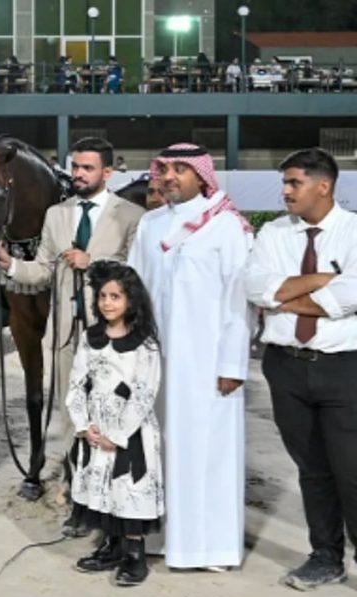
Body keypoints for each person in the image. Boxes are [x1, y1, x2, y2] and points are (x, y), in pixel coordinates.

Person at [0, 138, 144, 509]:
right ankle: (74, 479)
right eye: (75, 167)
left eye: (88, 168)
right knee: (70, 407)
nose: (79, 174)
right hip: (66, 333)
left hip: (112, 333)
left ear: (107, 172)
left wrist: (93, 262)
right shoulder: (56, 214)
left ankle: (111, 484)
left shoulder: (131, 215)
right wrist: (11, 266)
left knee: (111, 406)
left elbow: (137, 272)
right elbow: (43, 270)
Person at [128, 143, 252, 571]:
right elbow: (134, 292)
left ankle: (207, 548)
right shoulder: (149, 224)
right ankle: (157, 538)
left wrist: (232, 364)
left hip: (206, 364)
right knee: (155, 448)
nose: (169, 177)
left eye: (181, 169)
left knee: (207, 452)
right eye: (164, 169)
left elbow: (239, 301)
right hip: (155, 360)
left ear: (202, 176)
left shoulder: (225, 226)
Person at [244, 148, 357, 590]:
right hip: (286, 367)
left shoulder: (353, 232)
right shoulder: (273, 232)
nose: (285, 191)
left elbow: (350, 295)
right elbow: (256, 287)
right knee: (312, 468)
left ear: (323, 186)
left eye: (294, 182)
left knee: (351, 468)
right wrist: (323, 281)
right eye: (285, 183)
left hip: (344, 368)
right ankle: (326, 557)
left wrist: (286, 297)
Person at [66, 261, 163, 586]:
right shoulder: (89, 338)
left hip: (129, 432)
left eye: (115, 297)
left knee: (128, 486)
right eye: (103, 296)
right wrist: (84, 425)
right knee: (103, 488)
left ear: (131, 300)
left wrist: (119, 434)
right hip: (96, 429)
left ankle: (134, 553)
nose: (107, 303)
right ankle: (111, 546)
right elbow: (77, 384)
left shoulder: (145, 344)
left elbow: (145, 392)